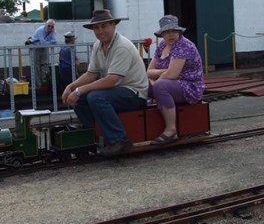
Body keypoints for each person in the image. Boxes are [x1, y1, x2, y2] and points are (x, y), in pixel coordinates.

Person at [62, 9, 149, 157]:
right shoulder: (98, 45)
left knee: (95, 97)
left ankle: (120, 141)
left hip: (135, 93)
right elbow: (91, 74)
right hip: (118, 91)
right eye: (96, 28)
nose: (100, 31)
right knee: (82, 98)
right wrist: (71, 87)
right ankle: (95, 134)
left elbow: (111, 80)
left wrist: (79, 90)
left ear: (113, 25)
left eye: (104, 26)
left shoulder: (122, 46)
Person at [147, 15, 205, 145]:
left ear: (179, 31)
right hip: (171, 84)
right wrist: (162, 73)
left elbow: (172, 75)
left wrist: (156, 81)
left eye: (174, 31)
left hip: (190, 86)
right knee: (142, 85)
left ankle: (171, 130)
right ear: (162, 34)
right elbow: (149, 71)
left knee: (160, 86)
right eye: (167, 31)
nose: (171, 34)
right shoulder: (162, 46)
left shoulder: (183, 46)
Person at [27, 19, 58, 86]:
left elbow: (55, 42)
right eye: (49, 26)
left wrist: (47, 43)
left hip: (44, 48)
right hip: (35, 48)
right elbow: (43, 42)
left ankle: (44, 82)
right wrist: (49, 42)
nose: (50, 27)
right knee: (36, 65)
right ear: (45, 25)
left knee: (45, 64)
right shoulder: (41, 30)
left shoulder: (53, 31)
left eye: (52, 26)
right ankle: (38, 83)